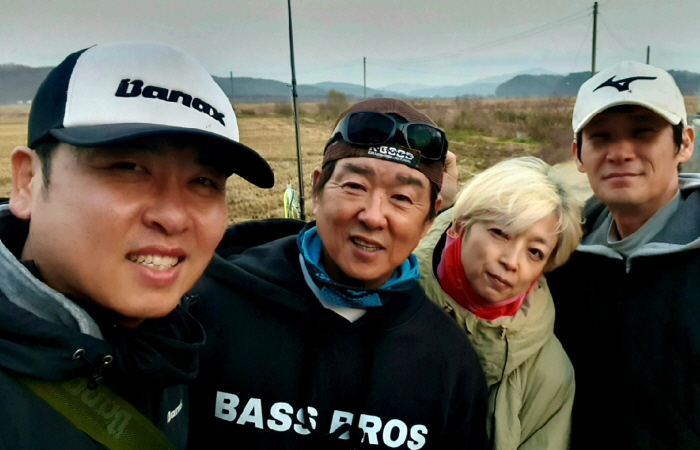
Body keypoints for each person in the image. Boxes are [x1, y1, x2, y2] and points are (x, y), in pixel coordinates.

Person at [0, 41, 274, 449]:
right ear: (28, 181)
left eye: (203, 181)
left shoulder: (173, 343)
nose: (174, 217)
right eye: (128, 168)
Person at [187, 98, 488, 449]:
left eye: (403, 198)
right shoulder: (206, 308)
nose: (373, 216)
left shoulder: (448, 362)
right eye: (355, 186)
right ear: (317, 190)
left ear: (429, 220)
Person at [546, 60, 698, 449]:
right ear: (578, 155)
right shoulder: (559, 255)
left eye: (643, 132)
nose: (620, 152)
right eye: (601, 137)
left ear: (684, 143)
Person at [414, 157, 582, 450]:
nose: (511, 261)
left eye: (534, 252)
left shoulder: (549, 373)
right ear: (460, 224)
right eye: (500, 233)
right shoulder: (382, 294)